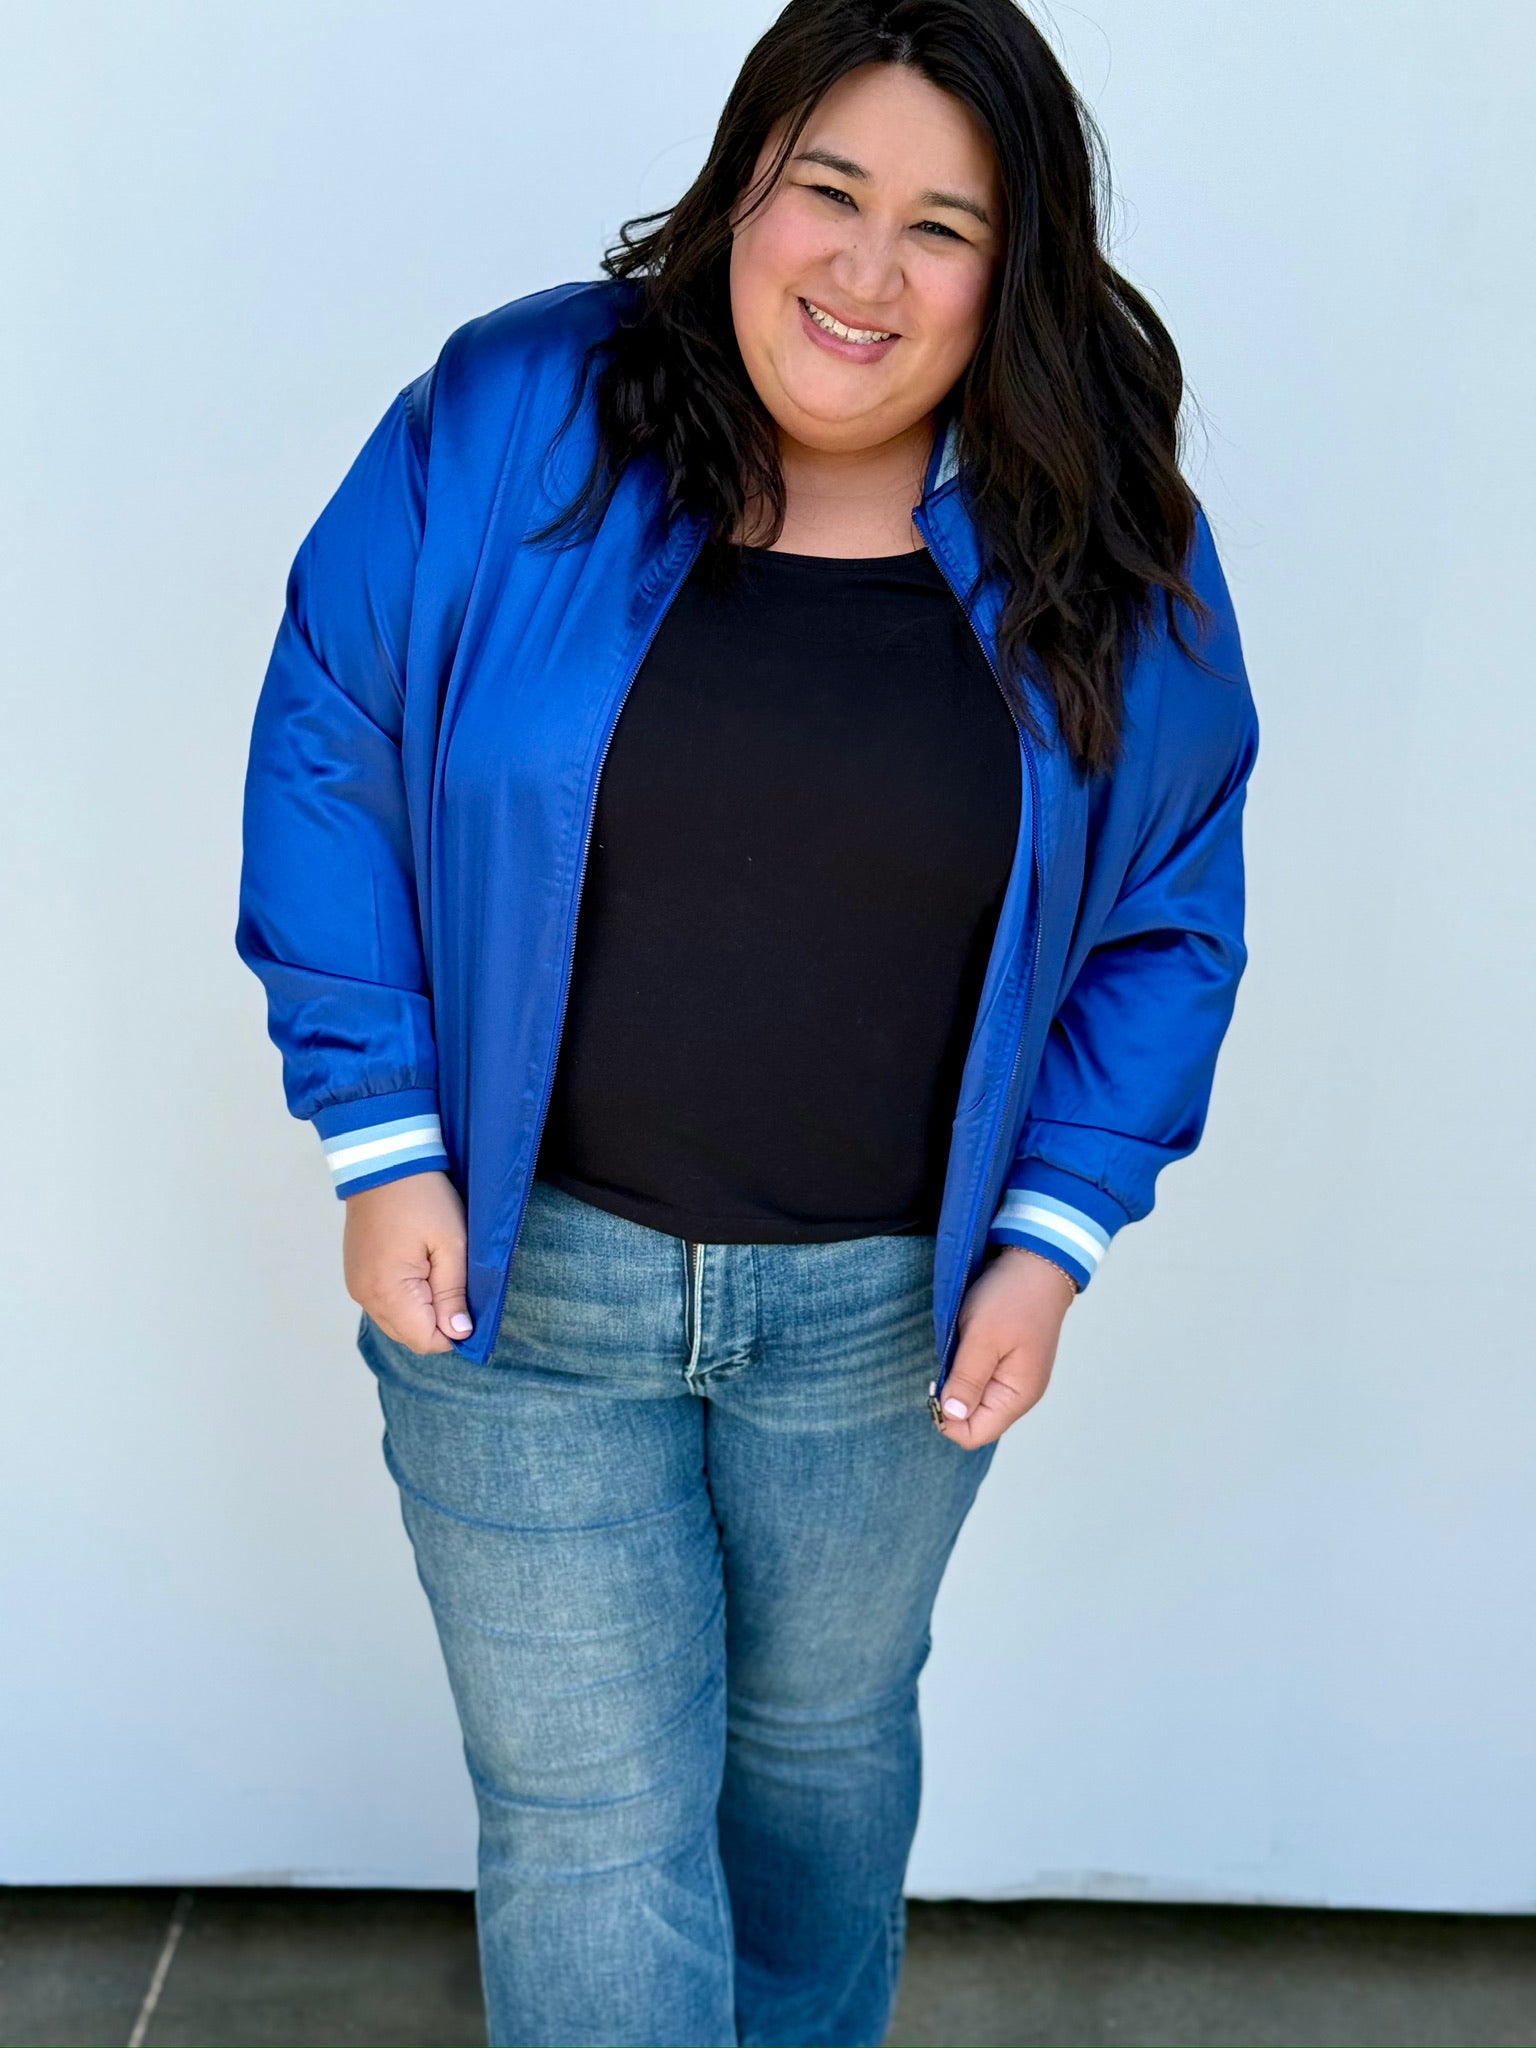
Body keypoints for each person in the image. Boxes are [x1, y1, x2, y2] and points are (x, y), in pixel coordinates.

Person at [234, 1, 1258, 2041]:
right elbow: (332, 734)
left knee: (813, 1772)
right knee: (593, 1818)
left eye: (943, 226)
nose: (865, 272)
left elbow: (1168, 907)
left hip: (889, 1316)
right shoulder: (519, 415)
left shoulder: (1105, 536)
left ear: (1016, 270)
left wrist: (1055, 1232)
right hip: (519, 1287)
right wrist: (381, 1132)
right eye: (828, 191)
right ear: (742, 189)